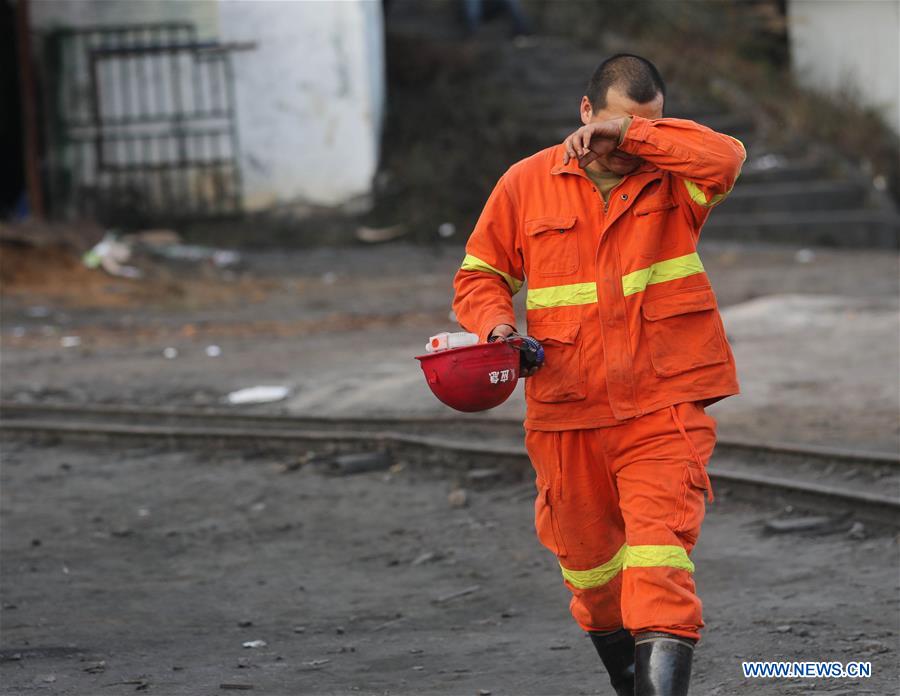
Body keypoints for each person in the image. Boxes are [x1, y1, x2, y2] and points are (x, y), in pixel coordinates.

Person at [451, 54, 745, 695]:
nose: (626, 143)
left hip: (662, 405)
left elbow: (725, 157)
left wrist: (637, 136)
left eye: (648, 127)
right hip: (565, 410)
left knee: (659, 563)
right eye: (614, 124)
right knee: (591, 578)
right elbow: (480, 276)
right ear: (585, 113)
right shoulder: (526, 184)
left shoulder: (675, 180)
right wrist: (498, 329)